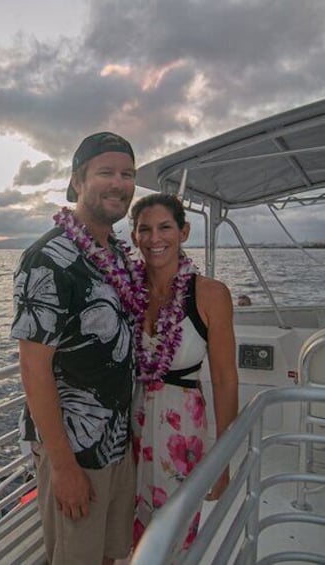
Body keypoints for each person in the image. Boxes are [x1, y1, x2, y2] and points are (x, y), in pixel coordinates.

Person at [10, 131, 139, 564]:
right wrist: (64, 468)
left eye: (127, 174)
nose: (119, 183)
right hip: (76, 448)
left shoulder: (117, 255)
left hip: (116, 440)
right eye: (106, 172)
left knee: (109, 554)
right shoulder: (47, 258)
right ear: (77, 181)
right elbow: (33, 369)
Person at [129, 193, 239, 551]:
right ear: (134, 237)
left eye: (165, 227)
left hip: (181, 427)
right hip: (131, 424)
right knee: (129, 524)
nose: (154, 238)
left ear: (184, 231)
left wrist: (222, 461)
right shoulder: (128, 291)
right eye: (144, 229)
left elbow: (224, 380)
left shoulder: (210, 294)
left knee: (173, 531)